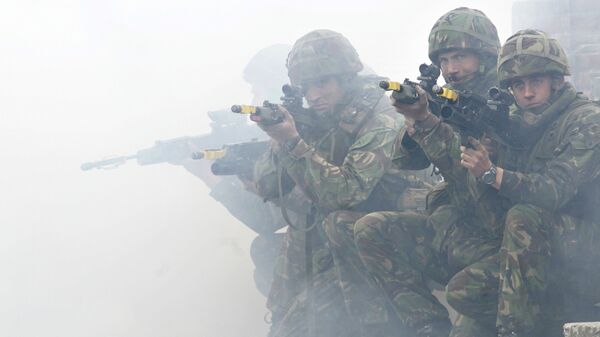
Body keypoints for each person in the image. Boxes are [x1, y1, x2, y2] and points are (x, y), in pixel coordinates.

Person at [251, 29, 426, 337]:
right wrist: (280, 139)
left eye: (323, 82)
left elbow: (347, 192)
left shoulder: (384, 118)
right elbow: (265, 187)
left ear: (346, 78)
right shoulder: (323, 118)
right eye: (306, 87)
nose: (313, 95)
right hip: (337, 241)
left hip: (387, 243)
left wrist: (293, 142)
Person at [354, 7, 504, 337]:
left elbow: (465, 170)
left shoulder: (504, 102)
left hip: (496, 243)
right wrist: (416, 118)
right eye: (445, 61)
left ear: (485, 55)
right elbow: (405, 160)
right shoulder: (450, 98)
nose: (452, 69)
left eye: (460, 57)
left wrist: (427, 122)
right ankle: (426, 327)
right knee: (371, 229)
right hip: (457, 233)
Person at [451, 29, 600, 337]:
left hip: (587, 247)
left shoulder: (586, 120)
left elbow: (553, 191)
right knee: (464, 291)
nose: (527, 93)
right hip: (535, 250)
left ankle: (514, 331)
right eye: (518, 85)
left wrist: (494, 173)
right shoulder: (518, 124)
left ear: (557, 81)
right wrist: (482, 166)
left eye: (536, 82)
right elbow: (492, 214)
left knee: (524, 215)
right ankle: (544, 319)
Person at [176, 44, 292, 297]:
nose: (253, 99)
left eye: (256, 89)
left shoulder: (295, 137)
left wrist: (208, 175)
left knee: (267, 252)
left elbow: (266, 220)